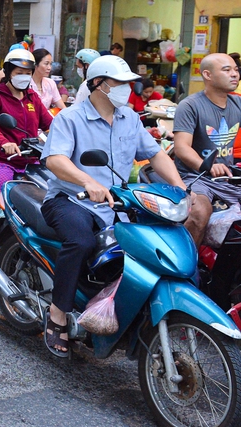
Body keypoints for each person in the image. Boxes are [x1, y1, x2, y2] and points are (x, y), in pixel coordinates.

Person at [40, 55, 185, 356]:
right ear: (98, 84)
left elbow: (155, 155)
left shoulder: (129, 118)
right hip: (70, 200)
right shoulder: (70, 118)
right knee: (80, 241)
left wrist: (180, 187)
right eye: (119, 82)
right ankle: (57, 315)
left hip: (116, 203)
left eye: (128, 83)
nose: (126, 88)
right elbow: (55, 160)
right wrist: (87, 182)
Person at [0, 49, 54, 266]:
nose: (23, 75)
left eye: (27, 71)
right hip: (2, 162)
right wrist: (3, 142)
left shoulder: (32, 97)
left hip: (32, 163)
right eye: (18, 71)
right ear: (8, 72)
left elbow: (50, 123)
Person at [173, 53, 241, 247]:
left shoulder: (237, 103)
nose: (234, 74)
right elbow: (181, 147)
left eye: (236, 70)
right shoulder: (190, 105)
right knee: (199, 213)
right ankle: (186, 268)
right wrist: (207, 166)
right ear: (207, 75)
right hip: (195, 178)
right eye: (227, 70)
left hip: (227, 179)